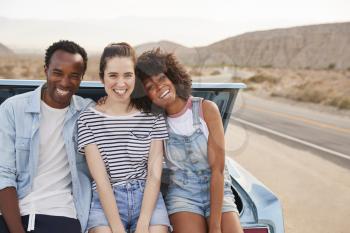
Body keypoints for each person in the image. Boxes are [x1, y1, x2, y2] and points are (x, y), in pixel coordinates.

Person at [135, 49, 244, 233]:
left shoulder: (206, 109)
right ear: (147, 96)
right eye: (150, 87)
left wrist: (215, 226)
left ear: (173, 76)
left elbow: (217, 170)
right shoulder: (156, 122)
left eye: (161, 79)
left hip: (218, 192)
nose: (159, 87)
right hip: (182, 196)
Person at [0, 40, 94, 233]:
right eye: (58, 73)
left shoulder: (88, 112)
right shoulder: (13, 108)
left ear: (82, 77)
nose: (65, 82)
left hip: (62, 212)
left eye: (74, 76)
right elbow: (4, 174)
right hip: (13, 211)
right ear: (46, 70)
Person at [77, 42, 170, 233]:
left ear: (135, 77)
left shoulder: (153, 116)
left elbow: (154, 175)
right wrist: (118, 228)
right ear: (102, 77)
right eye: (113, 75)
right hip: (106, 200)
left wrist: (143, 224)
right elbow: (101, 180)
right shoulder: (87, 119)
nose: (121, 83)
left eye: (128, 75)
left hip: (147, 199)